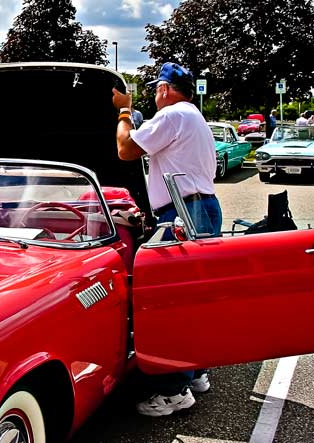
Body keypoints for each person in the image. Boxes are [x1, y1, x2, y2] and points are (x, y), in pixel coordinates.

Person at [112, 62, 221, 417]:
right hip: (200, 207)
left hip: (182, 212)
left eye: (156, 88)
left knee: (169, 302)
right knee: (193, 299)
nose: (155, 94)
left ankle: (174, 390)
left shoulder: (172, 115)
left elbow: (126, 149)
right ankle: (195, 372)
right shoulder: (194, 117)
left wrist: (124, 111)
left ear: (164, 88)